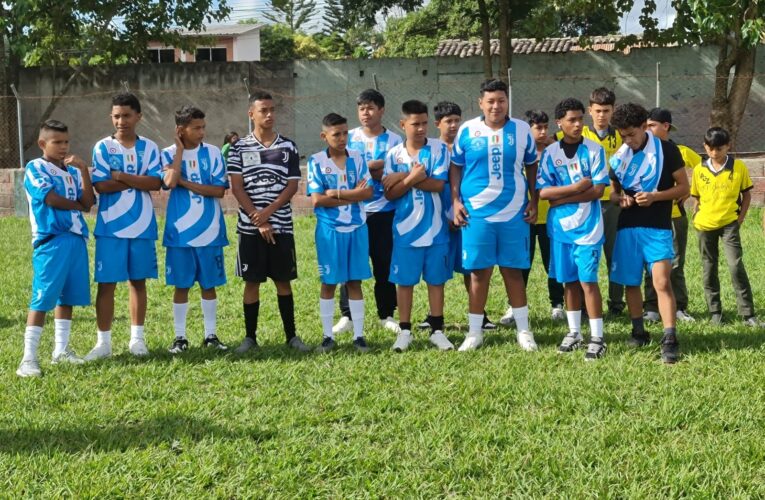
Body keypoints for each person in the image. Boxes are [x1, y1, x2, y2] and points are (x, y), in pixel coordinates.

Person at [450, 79, 539, 352]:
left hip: (514, 214)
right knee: (479, 273)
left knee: (513, 271)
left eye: (501, 100)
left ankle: (524, 331)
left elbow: (532, 167)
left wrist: (534, 200)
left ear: (507, 102)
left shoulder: (522, 130)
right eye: (490, 101)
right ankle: (474, 333)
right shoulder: (467, 130)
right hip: (477, 215)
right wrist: (455, 201)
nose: (496, 106)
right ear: (480, 103)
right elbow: (455, 167)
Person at [227, 91, 310, 353]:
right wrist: (257, 219)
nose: (270, 115)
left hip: (281, 225)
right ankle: (250, 337)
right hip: (250, 228)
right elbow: (237, 187)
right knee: (252, 282)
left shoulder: (288, 146)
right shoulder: (238, 147)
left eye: (273, 109)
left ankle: (292, 336)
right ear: (251, 114)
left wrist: (269, 213)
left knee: (283, 281)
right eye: (263, 110)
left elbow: (292, 185)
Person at [608, 103, 689, 364]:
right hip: (628, 226)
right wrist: (619, 199)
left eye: (632, 134)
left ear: (645, 126)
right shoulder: (620, 156)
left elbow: (683, 187)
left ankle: (669, 338)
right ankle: (638, 331)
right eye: (623, 136)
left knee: (662, 281)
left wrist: (655, 196)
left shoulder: (666, 150)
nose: (628, 140)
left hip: (657, 226)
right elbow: (613, 191)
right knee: (631, 282)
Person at [85, 93, 162, 360]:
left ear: (138, 116)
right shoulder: (102, 147)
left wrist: (120, 176)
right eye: (116, 116)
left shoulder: (150, 148)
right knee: (107, 285)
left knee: (137, 283)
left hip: (142, 227)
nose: (121, 121)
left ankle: (137, 339)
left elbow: (155, 183)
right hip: (111, 228)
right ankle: (103, 343)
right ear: (111, 117)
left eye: (127, 115)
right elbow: (101, 185)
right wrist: (137, 179)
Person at [17, 120, 94, 377]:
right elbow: (51, 199)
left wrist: (83, 170)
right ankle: (28, 358)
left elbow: (88, 202)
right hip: (51, 240)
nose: (63, 147)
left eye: (66, 142)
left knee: (67, 297)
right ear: (42, 144)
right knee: (42, 298)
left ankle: (61, 350)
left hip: (75, 239)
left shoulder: (71, 171)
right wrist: (77, 206)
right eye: (57, 142)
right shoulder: (35, 167)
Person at [537, 98, 609, 360]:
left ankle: (597, 337)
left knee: (588, 281)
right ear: (560, 123)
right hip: (561, 229)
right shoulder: (550, 153)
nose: (578, 124)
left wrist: (563, 197)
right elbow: (544, 192)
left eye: (581, 119)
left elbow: (598, 190)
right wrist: (577, 189)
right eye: (572, 120)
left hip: (589, 228)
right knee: (568, 281)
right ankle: (574, 331)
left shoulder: (594, 150)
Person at [383, 100, 455, 352]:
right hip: (405, 231)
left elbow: (437, 184)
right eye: (415, 124)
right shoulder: (393, 154)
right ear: (403, 125)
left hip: (436, 230)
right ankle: (405, 330)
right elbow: (389, 194)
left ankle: (437, 329)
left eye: (425, 123)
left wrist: (403, 177)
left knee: (436, 281)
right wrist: (413, 176)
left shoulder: (438, 149)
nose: (421, 128)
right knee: (405, 282)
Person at [418, 101, 496, 332]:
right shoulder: (432, 150)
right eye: (448, 121)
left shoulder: (470, 148)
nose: (453, 126)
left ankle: (479, 314)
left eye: (456, 121)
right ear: (437, 124)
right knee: (437, 270)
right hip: (437, 222)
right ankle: (434, 315)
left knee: (471, 268)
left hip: (466, 217)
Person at [333, 89, 403, 336]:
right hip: (352, 211)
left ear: (382, 110)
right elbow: (341, 165)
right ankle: (347, 316)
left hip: (384, 210)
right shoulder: (347, 137)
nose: (366, 113)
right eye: (362, 108)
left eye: (371, 107)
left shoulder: (395, 140)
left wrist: (368, 166)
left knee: (384, 263)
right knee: (350, 263)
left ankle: (387, 314)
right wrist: (376, 166)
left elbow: (398, 171)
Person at [161, 106, 229, 354]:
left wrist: (186, 183)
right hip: (180, 234)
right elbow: (168, 182)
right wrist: (179, 151)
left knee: (208, 285)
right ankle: (180, 338)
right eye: (196, 128)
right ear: (180, 130)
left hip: (210, 230)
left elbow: (218, 190)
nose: (202, 132)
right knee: (182, 286)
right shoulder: (167, 153)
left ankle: (210, 335)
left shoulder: (212, 153)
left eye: (203, 127)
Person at [307, 113, 374, 353]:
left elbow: (368, 193)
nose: (343, 138)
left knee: (355, 282)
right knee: (329, 283)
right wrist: (350, 195)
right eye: (337, 134)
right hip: (330, 231)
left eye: (345, 133)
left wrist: (335, 193)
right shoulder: (316, 161)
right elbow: (316, 200)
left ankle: (359, 336)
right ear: (324, 136)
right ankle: (327, 337)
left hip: (357, 228)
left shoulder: (358, 158)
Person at [556, 88, 625, 317]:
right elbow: (551, 144)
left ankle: (616, 303)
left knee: (614, 254)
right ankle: (585, 306)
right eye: (597, 111)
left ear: (613, 111)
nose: (602, 115)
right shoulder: (579, 132)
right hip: (585, 205)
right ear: (590, 110)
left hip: (612, 203)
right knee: (586, 255)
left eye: (606, 111)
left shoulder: (621, 135)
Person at [691, 127, 759, 326]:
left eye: (719, 148)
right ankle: (715, 311)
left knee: (735, 265)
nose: (714, 153)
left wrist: (740, 219)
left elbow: (746, 195)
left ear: (728, 146)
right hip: (704, 226)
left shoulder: (738, 168)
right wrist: (696, 216)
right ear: (705, 146)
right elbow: (696, 196)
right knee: (708, 267)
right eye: (710, 148)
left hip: (730, 224)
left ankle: (748, 314)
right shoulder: (699, 170)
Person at [642, 107, 700, 323]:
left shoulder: (681, 151)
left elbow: (705, 170)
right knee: (650, 262)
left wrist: (689, 191)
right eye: (645, 126)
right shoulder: (643, 152)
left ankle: (679, 307)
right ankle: (651, 307)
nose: (647, 130)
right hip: (650, 216)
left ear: (665, 126)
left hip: (675, 216)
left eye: (651, 126)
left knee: (675, 262)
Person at [525, 109, 565, 322]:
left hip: (551, 218)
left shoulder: (555, 151)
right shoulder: (523, 153)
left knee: (553, 262)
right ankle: (516, 306)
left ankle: (557, 303)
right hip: (526, 218)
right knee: (523, 263)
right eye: (537, 128)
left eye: (544, 127)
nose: (542, 132)